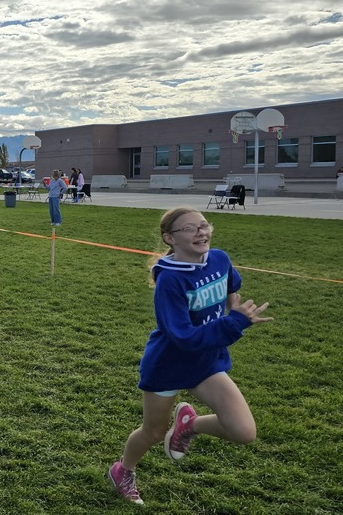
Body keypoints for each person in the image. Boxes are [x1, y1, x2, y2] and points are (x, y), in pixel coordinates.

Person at [108, 207, 272, 506]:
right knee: (154, 431)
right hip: (168, 364)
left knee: (244, 431)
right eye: (190, 229)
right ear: (169, 238)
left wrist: (233, 305)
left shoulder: (219, 258)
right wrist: (234, 322)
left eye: (204, 225)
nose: (201, 232)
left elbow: (231, 282)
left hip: (206, 362)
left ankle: (189, 425)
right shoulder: (170, 281)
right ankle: (123, 470)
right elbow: (182, 337)